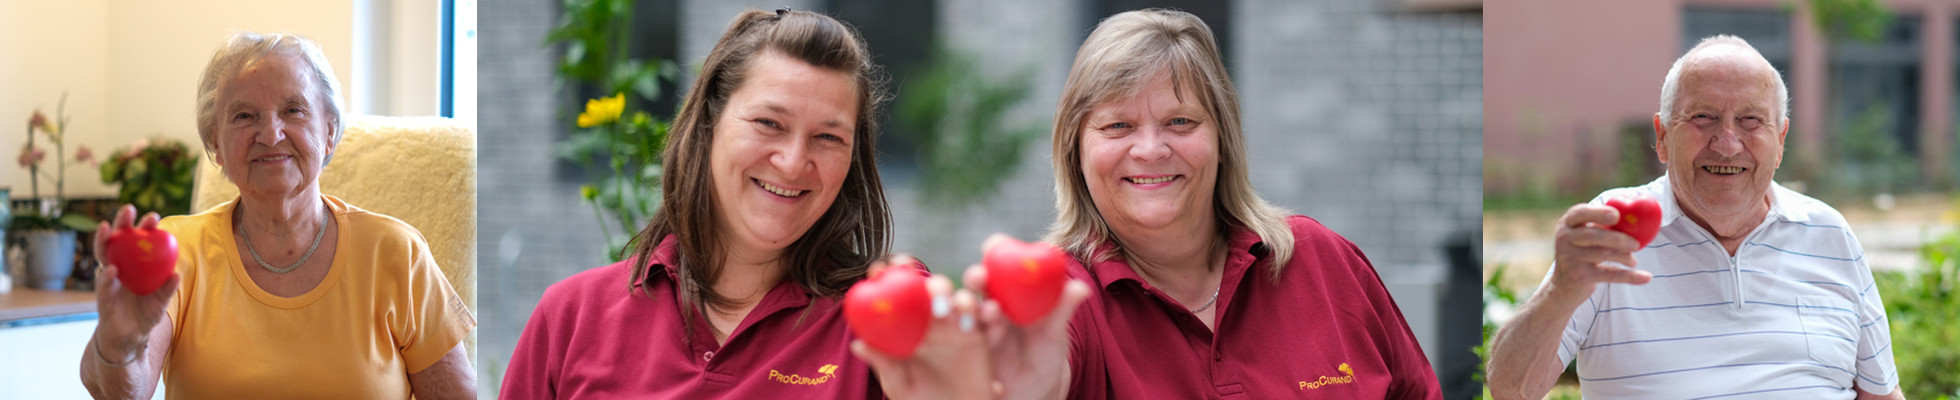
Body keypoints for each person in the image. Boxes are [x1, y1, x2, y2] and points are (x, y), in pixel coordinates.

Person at [500, 8, 987, 399]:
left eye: (828, 137)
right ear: (709, 124)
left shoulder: (887, 312)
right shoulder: (572, 316)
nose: (794, 162)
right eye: (768, 124)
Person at [963, 9, 1440, 399]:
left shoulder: (1322, 260)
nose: (1150, 150)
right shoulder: (1062, 299)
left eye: (1180, 121)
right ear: (1076, 153)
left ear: (1221, 138)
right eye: (1117, 127)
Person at [1485, 35, 1902, 400]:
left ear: (1780, 140)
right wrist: (1560, 292)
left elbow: (1881, 394)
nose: (1726, 143)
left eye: (1750, 120)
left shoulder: (1829, 233)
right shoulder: (1613, 230)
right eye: (1703, 117)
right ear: (1663, 137)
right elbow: (1511, 390)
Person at [78, 32, 476, 399]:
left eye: (293, 110)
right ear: (216, 143)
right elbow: (122, 393)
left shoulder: (395, 253)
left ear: (330, 131)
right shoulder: (178, 250)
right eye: (244, 116)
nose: (270, 134)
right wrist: (118, 345)